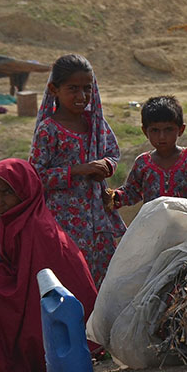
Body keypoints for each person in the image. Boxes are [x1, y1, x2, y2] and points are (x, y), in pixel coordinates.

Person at [0, 159, 98, 372]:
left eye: (8, 193)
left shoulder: (23, 229)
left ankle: (13, 360)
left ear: (25, 192)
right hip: (66, 330)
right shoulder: (38, 220)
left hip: (45, 325)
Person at [30, 54, 124, 286]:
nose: (81, 96)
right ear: (54, 89)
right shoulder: (49, 130)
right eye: (73, 89)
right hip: (63, 221)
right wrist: (78, 170)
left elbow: (113, 153)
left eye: (86, 89)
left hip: (98, 219)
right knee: (70, 281)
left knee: (103, 282)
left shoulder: (96, 124)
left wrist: (107, 166)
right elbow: (35, 177)